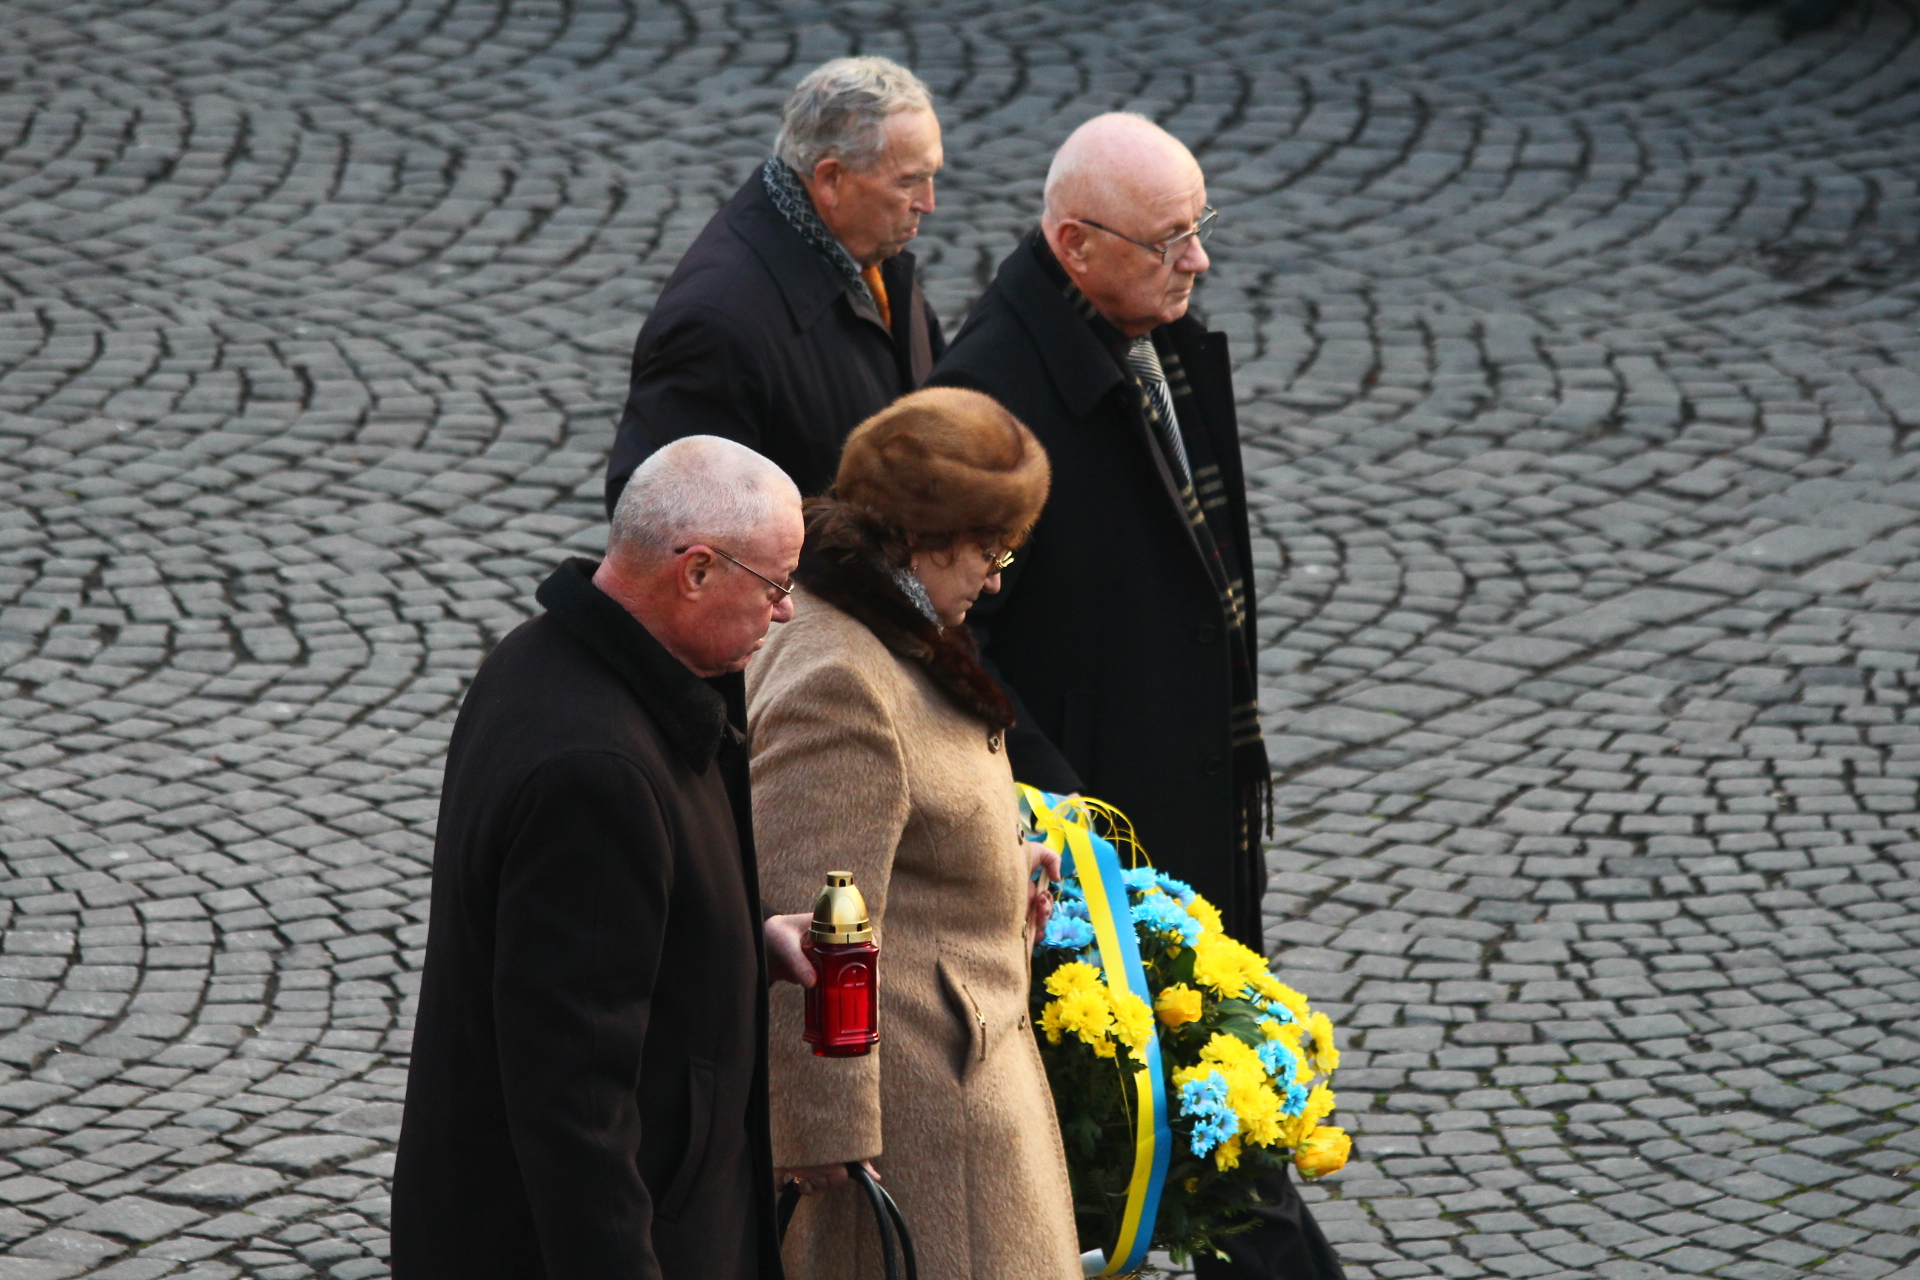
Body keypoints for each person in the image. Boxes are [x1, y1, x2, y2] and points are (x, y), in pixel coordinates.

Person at [391, 436, 804, 1280]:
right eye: (777, 585)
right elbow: (574, 1105)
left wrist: (741, 942)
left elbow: (596, 951)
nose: (787, 612)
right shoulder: (599, 773)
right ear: (694, 571)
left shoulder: (539, 659)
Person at [747, 388, 1081, 1280]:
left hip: (956, 1092)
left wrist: (999, 870)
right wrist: (827, 1136)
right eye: (988, 549)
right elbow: (817, 922)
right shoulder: (841, 675)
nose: (999, 576)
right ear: (922, 541)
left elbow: (909, 833)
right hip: (922, 1143)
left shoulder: (889, 620)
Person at [928, 113, 1274, 949]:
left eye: (1199, 227)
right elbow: (953, 628)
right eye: (1169, 241)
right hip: (1100, 850)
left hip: (1189, 802)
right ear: (1076, 246)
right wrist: (1070, 805)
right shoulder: (992, 399)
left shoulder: (1154, 336)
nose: (1198, 260)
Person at [605, 55, 946, 512]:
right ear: (831, 180)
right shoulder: (715, 326)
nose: (928, 202)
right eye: (910, 182)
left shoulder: (870, 253)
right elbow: (670, 523)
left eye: (932, 176)